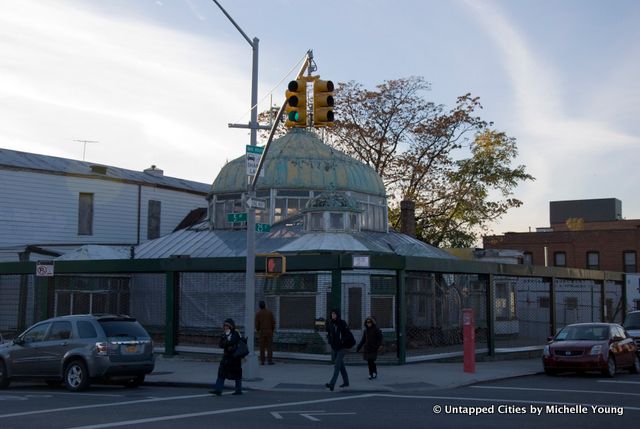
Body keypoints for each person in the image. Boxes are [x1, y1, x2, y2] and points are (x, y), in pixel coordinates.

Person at [210, 318, 243, 396]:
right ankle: (218, 390)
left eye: (227, 326)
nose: (225, 327)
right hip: (226, 357)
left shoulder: (235, 333)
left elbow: (233, 341)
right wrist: (227, 343)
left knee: (237, 373)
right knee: (221, 372)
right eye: (224, 325)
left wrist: (227, 343)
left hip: (235, 358)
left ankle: (238, 390)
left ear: (231, 326)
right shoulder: (224, 334)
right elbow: (221, 344)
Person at [325, 309, 350, 391]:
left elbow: (347, 334)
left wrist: (343, 340)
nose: (333, 315)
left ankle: (332, 384)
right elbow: (329, 333)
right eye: (332, 314)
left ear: (337, 315)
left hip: (342, 348)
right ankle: (346, 382)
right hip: (334, 347)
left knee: (337, 366)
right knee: (341, 366)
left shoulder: (342, 323)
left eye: (334, 314)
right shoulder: (330, 323)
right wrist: (329, 339)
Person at [255, 300, 275, 365]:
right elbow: (273, 322)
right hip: (269, 332)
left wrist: (258, 330)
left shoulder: (258, 314)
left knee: (262, 347)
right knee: (269, 346)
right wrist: (272, 330)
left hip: (262, 332)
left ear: (259, 306)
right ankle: (270, 360)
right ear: (265, 305)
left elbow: (257, 324)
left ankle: (262, 361)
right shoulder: (270, 313)